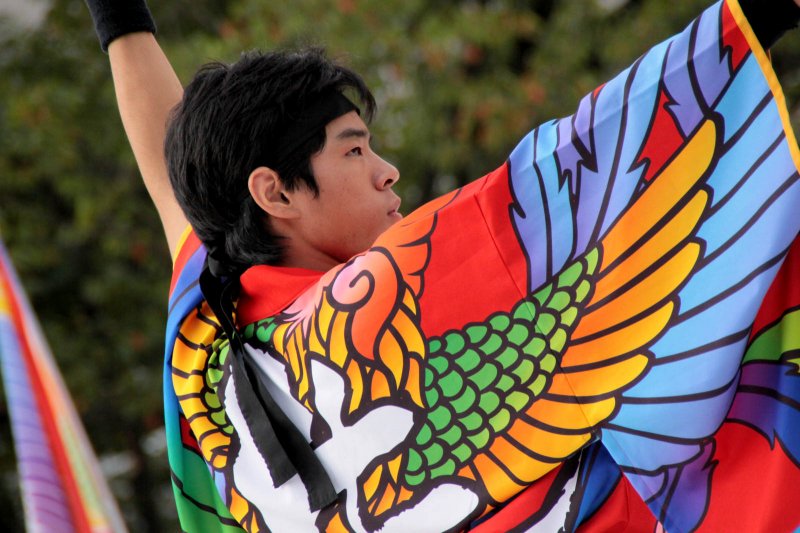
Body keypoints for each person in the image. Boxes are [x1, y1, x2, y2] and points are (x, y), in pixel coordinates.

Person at [85, 0, 800, 531]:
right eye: (354, 149)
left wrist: (116, 16)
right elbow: (582, 169)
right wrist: (752, 21)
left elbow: (166, 172)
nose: (387, 171)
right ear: (275, 193)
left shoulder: (206, 344)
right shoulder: (382, 298)